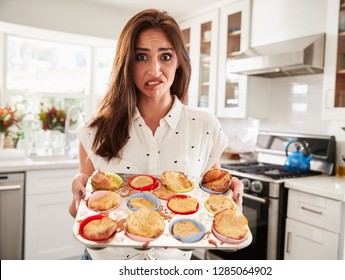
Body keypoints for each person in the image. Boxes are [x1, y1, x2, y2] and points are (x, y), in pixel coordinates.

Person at [69, 8, 244, 260]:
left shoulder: (205, 127)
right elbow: (79, 213)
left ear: (179, 61)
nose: (154, 70)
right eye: (141, 57)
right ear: (126, 64)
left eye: (165, 56)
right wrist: (77, 199)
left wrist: (230, 194)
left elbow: (209, 204)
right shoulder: (95, 130)